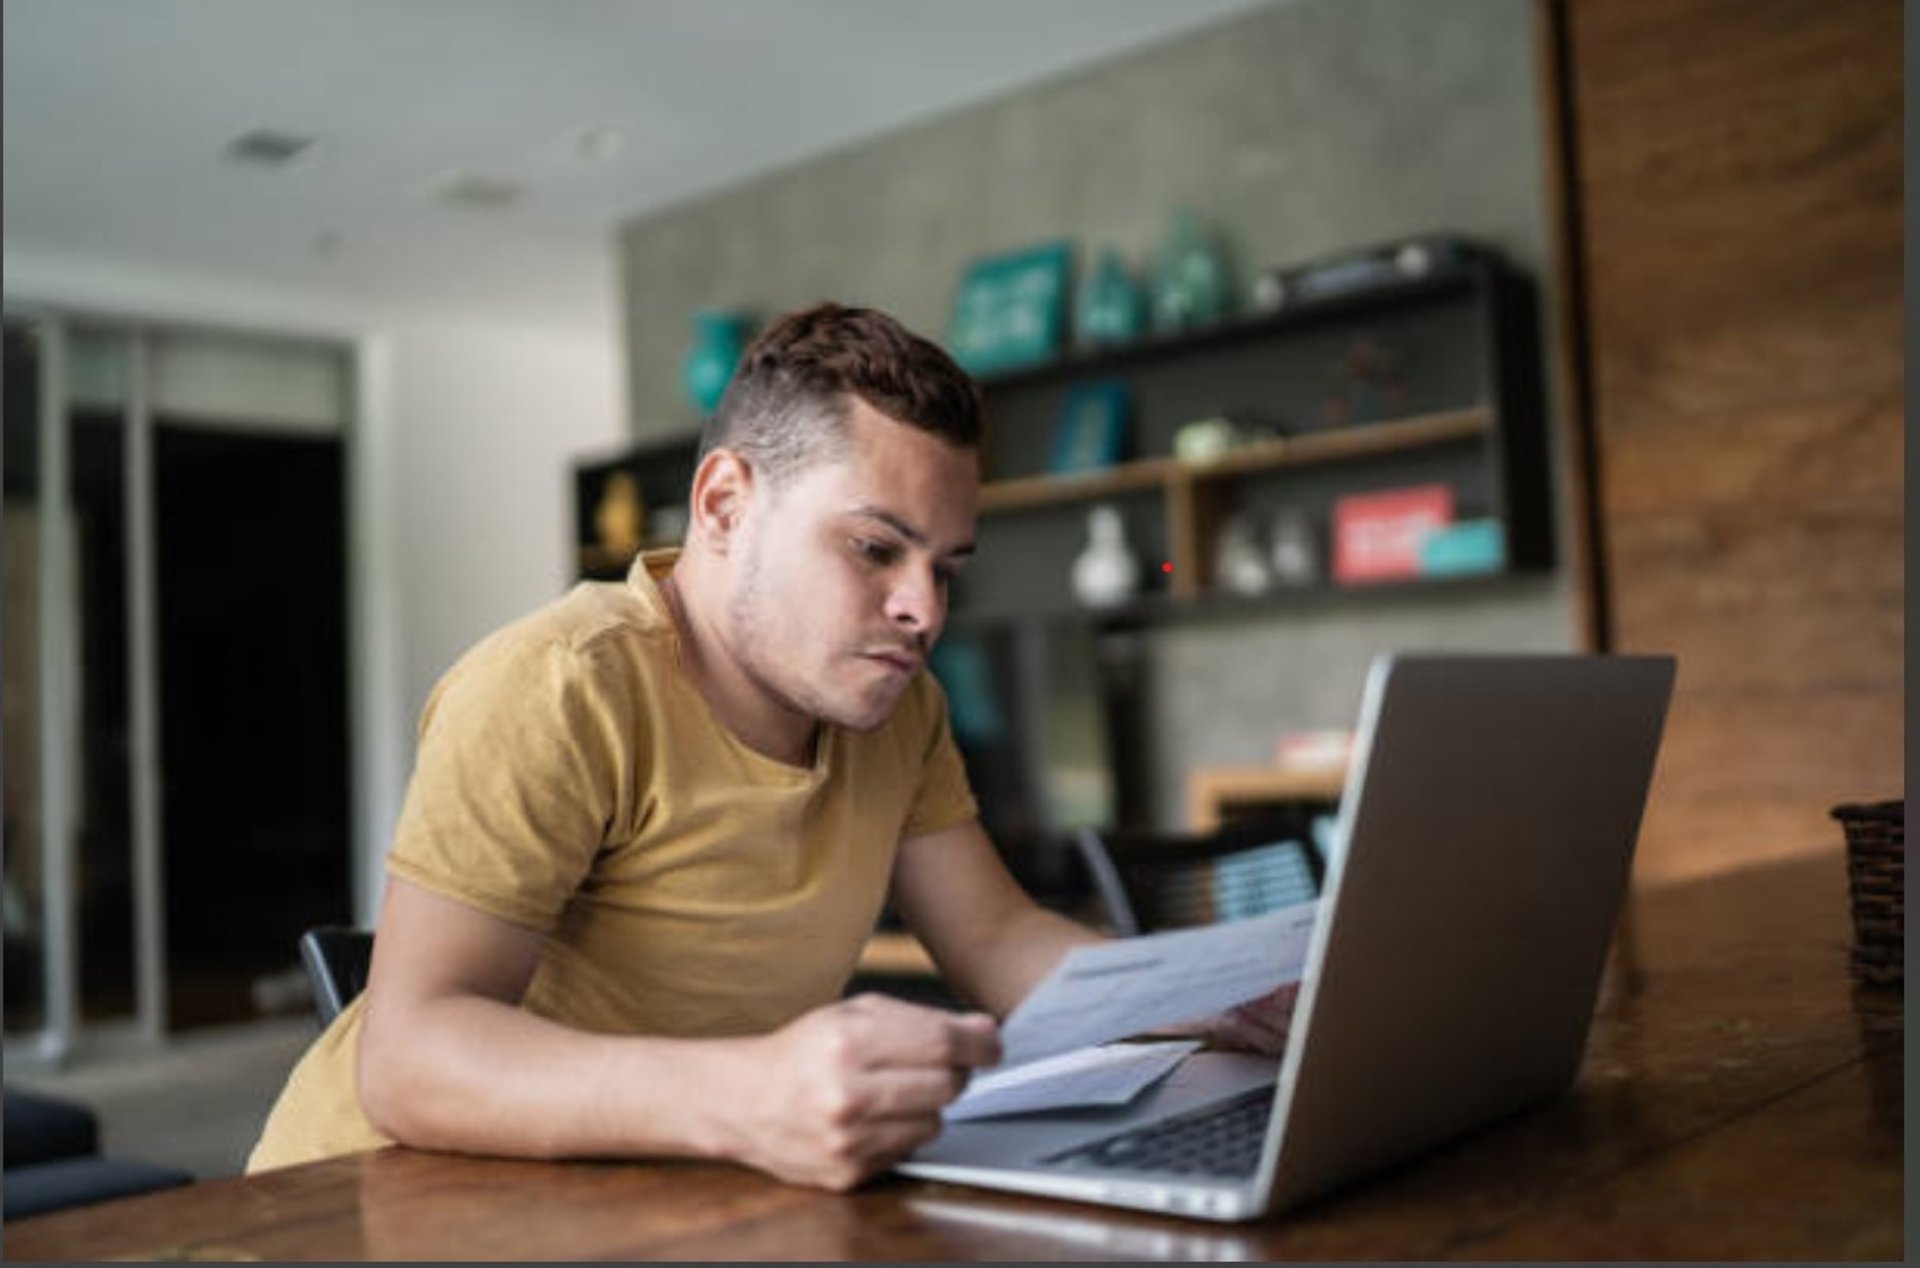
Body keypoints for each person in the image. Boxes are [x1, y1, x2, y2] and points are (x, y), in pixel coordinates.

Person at [248, 301, 1289, 1190]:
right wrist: (751, 1091)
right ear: (725, 504)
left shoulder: (900, 710)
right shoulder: (562, 685)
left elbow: (1001, 938)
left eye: (946, 566)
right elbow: (413, 1056)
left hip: (645, 1193)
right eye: (875, 548)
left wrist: (1210, 990)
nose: (923, 608)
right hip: (375, 1201)